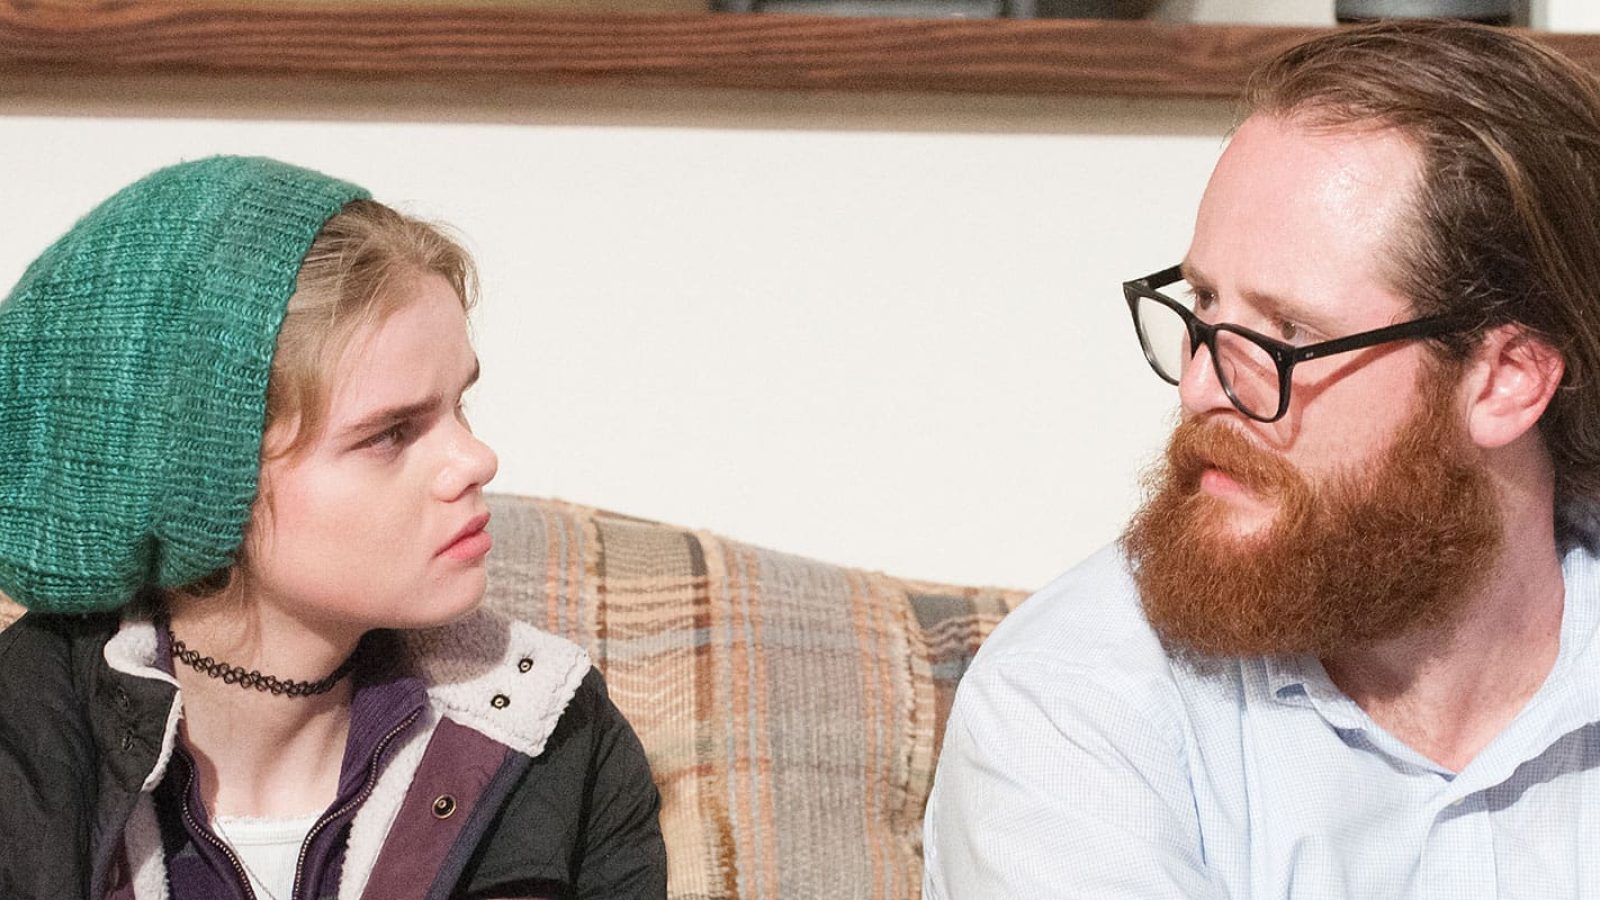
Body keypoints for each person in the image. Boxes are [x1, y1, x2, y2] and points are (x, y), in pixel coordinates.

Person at [924, 19, 1600, 898]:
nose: (1204, 387)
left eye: (1289, 333)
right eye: (1202, 303)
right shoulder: (1070, 704)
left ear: (1506, 380)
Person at [0, 157, 667, 899]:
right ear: (195, 477)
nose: (477, 460)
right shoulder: (24, 747)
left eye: (459, 406)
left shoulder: (559, 737)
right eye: (390, 434)